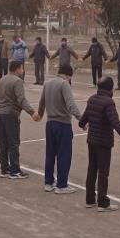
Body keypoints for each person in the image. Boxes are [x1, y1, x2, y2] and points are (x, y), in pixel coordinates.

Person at [78, 76, 120, 211]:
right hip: (104, 142)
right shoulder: (108, 102)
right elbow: (115, 122)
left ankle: (90, 199)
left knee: (92, 169)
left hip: (92, 140)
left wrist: (83, 124)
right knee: (103, 172)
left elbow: (83, 119)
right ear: (110, 88)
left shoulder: (92, 99)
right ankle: (102, 202)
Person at [38, 64, 83, 194]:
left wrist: (40, 114)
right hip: (63, 124)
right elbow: (71, 104)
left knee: (50, 154)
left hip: (50, 123)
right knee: (64, 155)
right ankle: (62, 185)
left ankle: (48, 182)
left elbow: (42, 102)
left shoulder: (47, 83)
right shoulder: (64, 84)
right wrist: (81, 119)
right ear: (68, 75)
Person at [0, 60, 40, 178]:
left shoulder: (2, 79)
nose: (23, 71)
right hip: (10, 113)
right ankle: (15, 170)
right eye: (22, 68)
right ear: (17, 69)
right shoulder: (17, 81)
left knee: (3, 142)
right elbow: (21, 99)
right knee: (13, 142)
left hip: (0, 113)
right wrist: (32, 112)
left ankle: (4, 169)